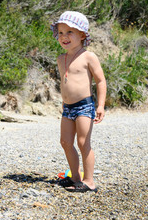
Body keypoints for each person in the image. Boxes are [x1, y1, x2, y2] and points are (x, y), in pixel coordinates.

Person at [50, 11, 107, 192]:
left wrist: (100, 105)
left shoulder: (88, 56)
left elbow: (100, 80)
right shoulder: (61, 58)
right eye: (60, 32)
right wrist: (63, 102)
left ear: (82, 35)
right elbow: (65, 83)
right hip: (67, 108)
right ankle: (76, 177)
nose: (64, 37)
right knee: (65, 142)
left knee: (83, 143)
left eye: (69, 32)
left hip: (84, 105)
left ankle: (89, 181)